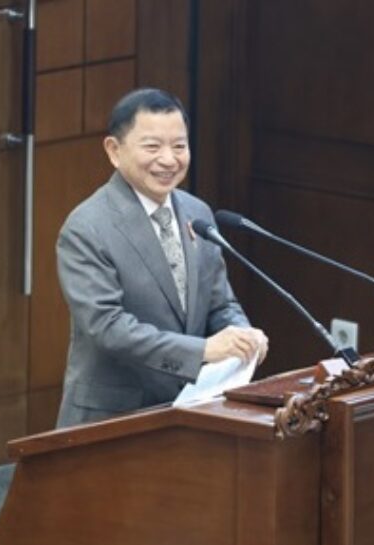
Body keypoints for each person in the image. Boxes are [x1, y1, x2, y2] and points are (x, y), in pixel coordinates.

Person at [55, 88, 268, 428]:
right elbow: (108, 328)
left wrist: (243, 335)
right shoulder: (87, 228)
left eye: (179, 146)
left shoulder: (198, 213)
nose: (169, 159)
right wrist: (202, 351)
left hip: (190, 410)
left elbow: (219, 303)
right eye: (152, 147)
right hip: (112, 418)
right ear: (114, 150)